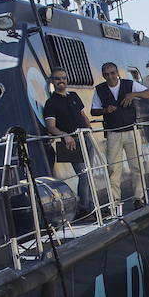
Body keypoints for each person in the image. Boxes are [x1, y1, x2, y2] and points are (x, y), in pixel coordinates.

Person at [91, 62, 149, 210]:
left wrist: (134, 94)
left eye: (112, 73)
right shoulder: (100, 90)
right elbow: (93, 111)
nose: (110, 77)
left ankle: (139, 197)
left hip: (131, 130)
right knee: (114, 169)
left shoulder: (129, 84)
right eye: (106, 74)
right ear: (103, 76)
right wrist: (105, 110)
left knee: (136, 166)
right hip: (113, 133)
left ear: (117, 72)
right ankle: (115, 201)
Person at [41, 68, 94, 219]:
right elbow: (51, 126)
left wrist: (89, 130)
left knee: (89, 174)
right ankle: (85, 209)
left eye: (63, 78)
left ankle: (91, 206)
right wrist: (65, 136)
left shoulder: (74, 96)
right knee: (83, 175)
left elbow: (83, 116)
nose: (61, 81)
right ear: (52, 81)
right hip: (69, 143)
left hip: (86, 139)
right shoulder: (50, 103)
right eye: (57, 78)